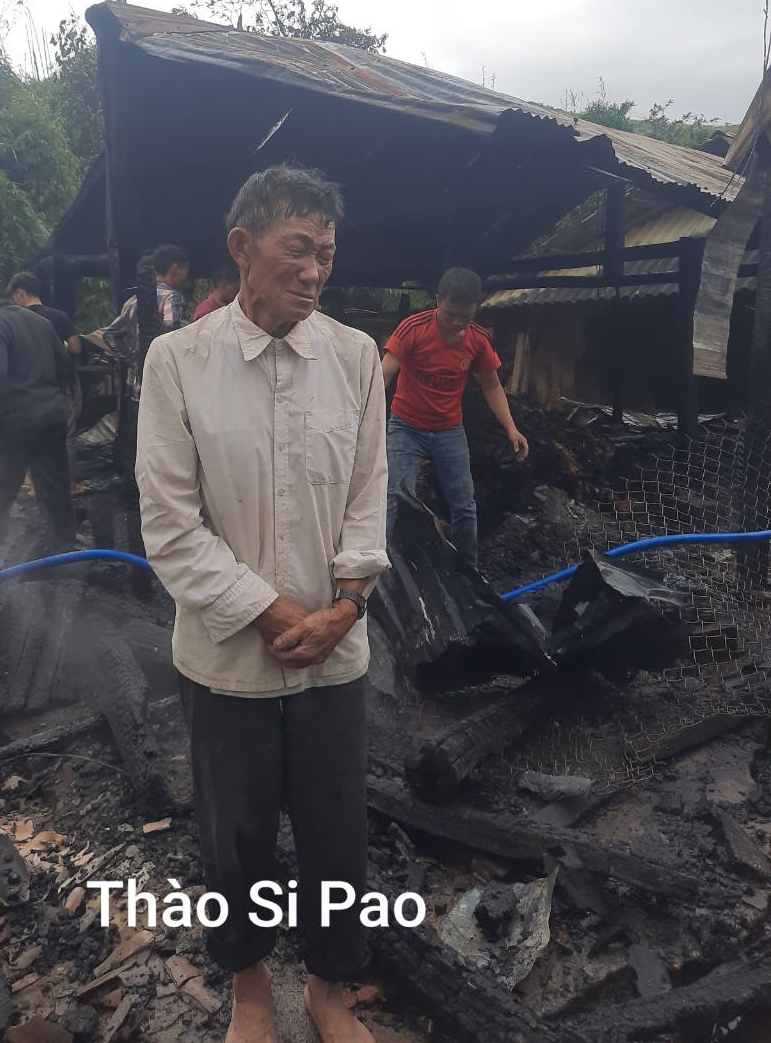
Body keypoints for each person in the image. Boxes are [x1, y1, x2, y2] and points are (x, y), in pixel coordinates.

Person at [136, 165, 388, 1043]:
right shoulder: (178, 362)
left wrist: (344, 607)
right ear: (242, 247)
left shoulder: (355, 358)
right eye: (297, 249)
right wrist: (272, 613)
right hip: (227, 656)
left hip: (335, 651)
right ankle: (249, 986)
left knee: (335, 829)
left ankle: (328, 986)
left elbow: (368, 498)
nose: (314, 272)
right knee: (234, 833)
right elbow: (170, 524)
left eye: (326, 254)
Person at [382, 266, 529, 562]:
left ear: (476, 307)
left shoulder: (478, 340)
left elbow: (492, 386)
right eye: (451, 314)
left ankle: (467, 570)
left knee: (464, 505)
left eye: (466, 315)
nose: (457, 322)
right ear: (438, 300)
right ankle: (383, 567)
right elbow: (381, 376)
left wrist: (511, 428)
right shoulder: (413, 329)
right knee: (394, 498)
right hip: (406, 427)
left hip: (449, 430)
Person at [0, 273, 75, 551]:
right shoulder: (41, 322)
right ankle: (63, 548)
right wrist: (52, 396)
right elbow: (64, 363)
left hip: (18, 421)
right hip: (52, 417)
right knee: (55, 486)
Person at [8, 271, 86, 495]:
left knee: (30, 435)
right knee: (67, 437)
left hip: (27, 390)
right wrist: (58, 346)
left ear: (20, 293)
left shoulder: (15, 321)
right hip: (59, 387)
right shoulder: (59, 317)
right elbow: (76, 348)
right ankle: (69, 484)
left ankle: (34, 485)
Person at [102, 243, 191, 382]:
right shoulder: (172, 296)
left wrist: (135, 363)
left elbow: (110, 335)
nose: (186, 277)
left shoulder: (134, 301)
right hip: (164, 380)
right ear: (175, 268)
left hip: (140, 384)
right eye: (185, 271)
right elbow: (170, 325)